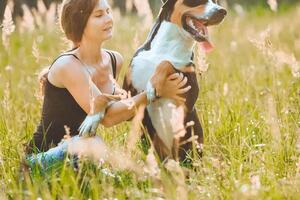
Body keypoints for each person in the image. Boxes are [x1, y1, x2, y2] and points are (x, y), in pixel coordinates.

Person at [26, 0, 190, 166]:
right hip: (41, 159)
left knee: (98, 151)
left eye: (108, 11)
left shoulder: (114, 60)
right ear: (80, 23)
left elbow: (122, 107)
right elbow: (109, 118)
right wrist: (153, 93)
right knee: (93, 145)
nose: (108, 19)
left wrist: (161, 79)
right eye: (99, 15)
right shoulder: (68, 66)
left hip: (79, 152)